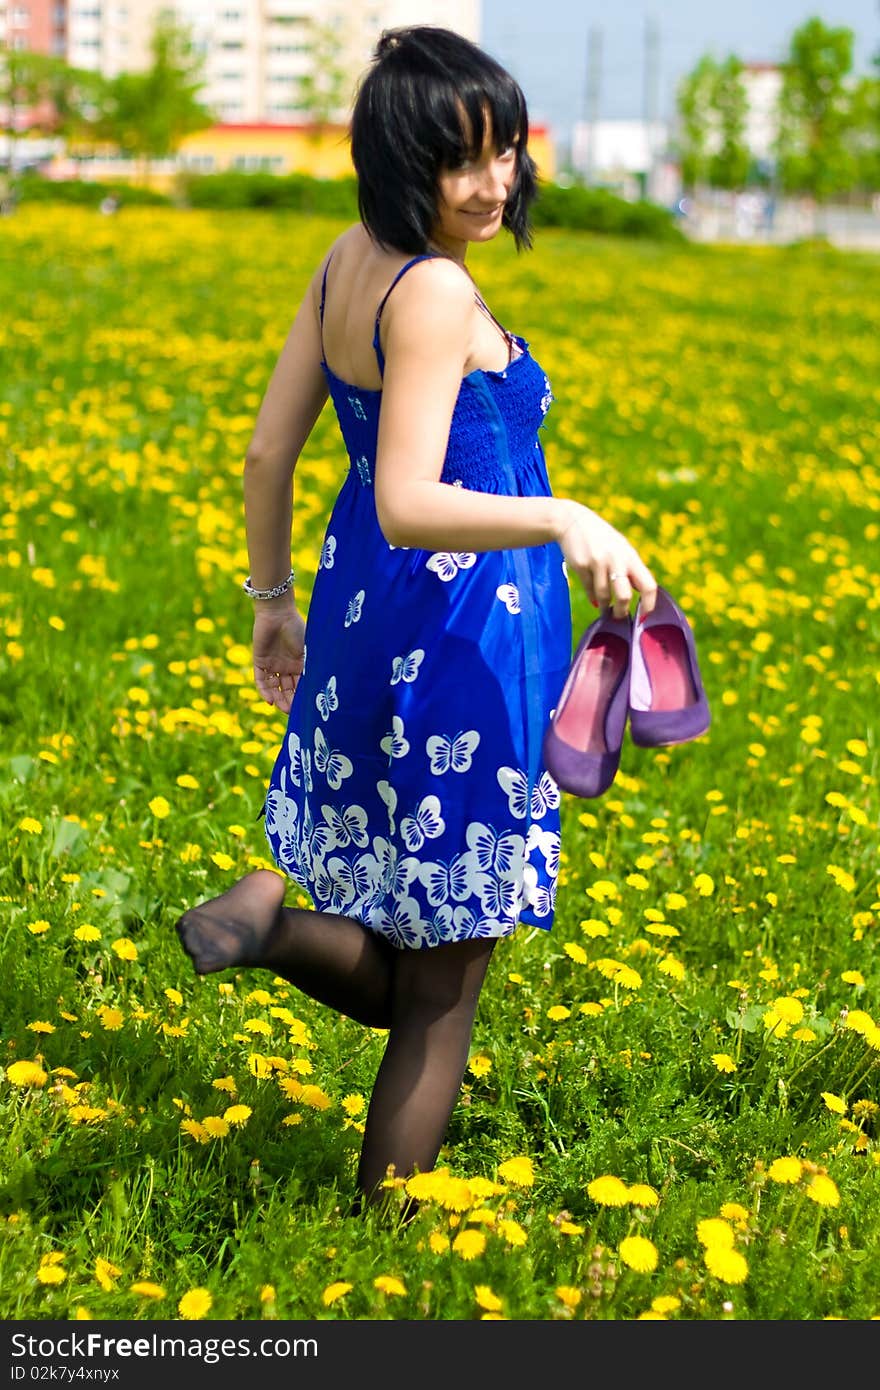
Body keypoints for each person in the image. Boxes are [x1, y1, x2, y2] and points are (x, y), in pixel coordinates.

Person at [175, 25, 657, 1213]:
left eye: (504, 151)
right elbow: (406, 499)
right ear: (399, 162)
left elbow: (264, 453)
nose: (494, 184)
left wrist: (274, 606)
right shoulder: (434, 289)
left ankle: (273, 926)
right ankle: (388, 1252)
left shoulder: (349, 262)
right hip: (462, 647)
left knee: (422, 945)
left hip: (361, 627)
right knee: (442, 990)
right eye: (462, 162)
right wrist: (563, 517)